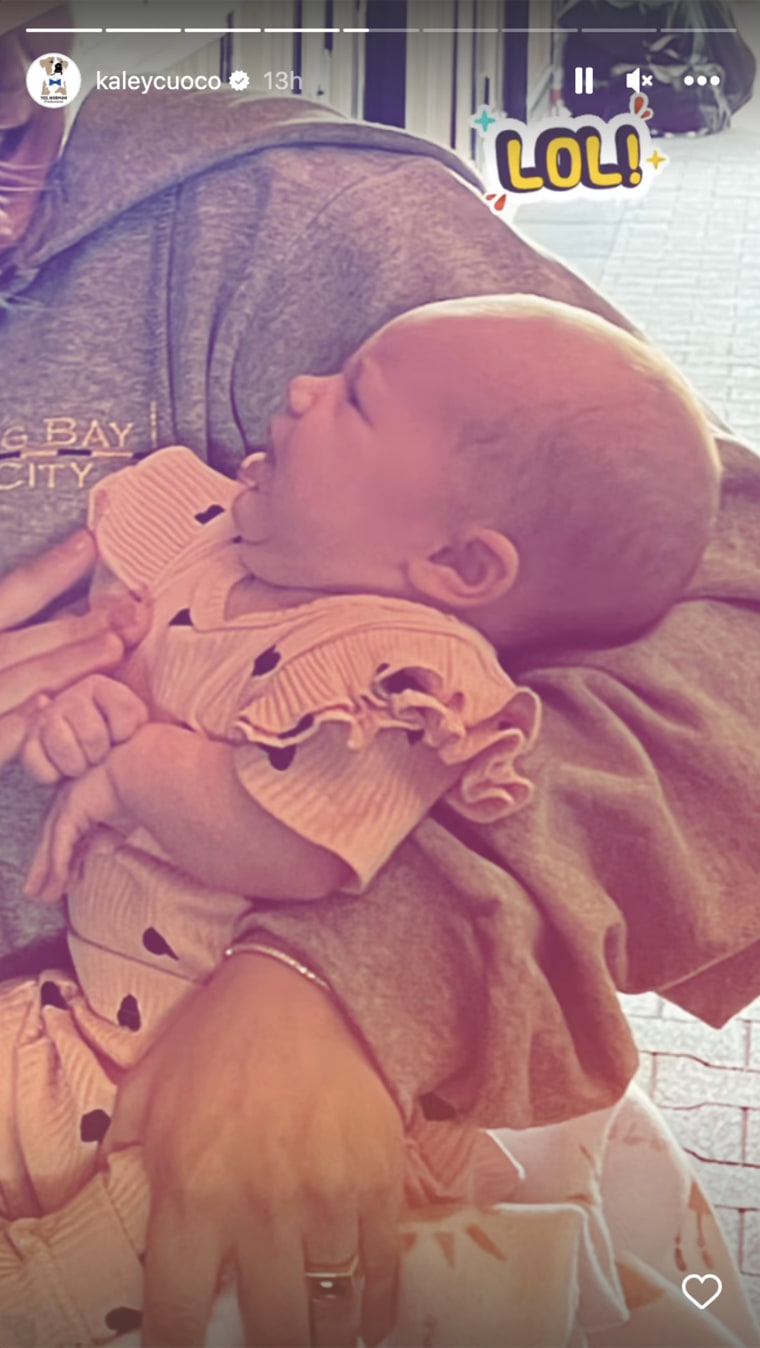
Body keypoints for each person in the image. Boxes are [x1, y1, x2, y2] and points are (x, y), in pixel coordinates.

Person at [4, 6, 760, 1345]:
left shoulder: (281, 217)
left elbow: (724, 631)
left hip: (224, 1144)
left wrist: (360, 975)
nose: (301, 399)